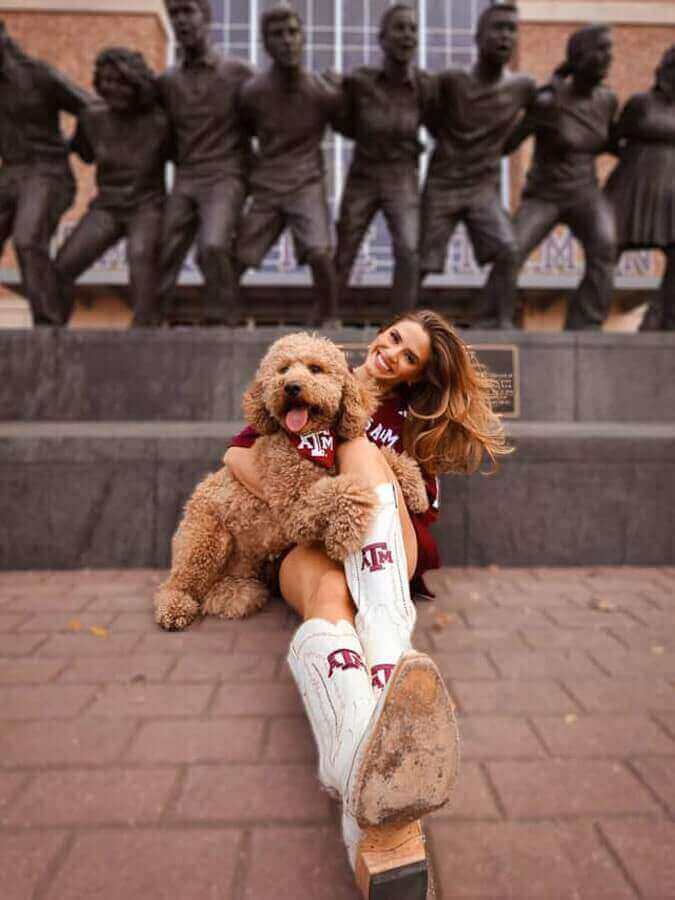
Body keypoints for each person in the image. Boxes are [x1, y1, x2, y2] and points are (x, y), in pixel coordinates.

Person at [225, 309, 510, 877]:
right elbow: (236, 454)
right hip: (312, 539)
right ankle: (360, 764)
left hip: (385, 546)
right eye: (396, 339)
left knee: (360, 449)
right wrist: (304, 503)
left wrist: (359, 460)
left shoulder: (409, 419)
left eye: (410, 359)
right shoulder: (310, 377)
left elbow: (420, 503)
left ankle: (379, 648)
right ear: (383, 331)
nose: (393, 354)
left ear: (414, 376)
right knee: (330, 593)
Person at [419, 3, 536, 328]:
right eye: (497, 28)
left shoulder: (522, 88)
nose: (505, 37)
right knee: (422, 262)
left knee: (508, 251)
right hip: (443, 184)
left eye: (511, 30)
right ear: (478, 37)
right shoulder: (452, 81)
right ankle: (398, 328)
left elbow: (542, 116)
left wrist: (504, 144)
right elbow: (427, 114)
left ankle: (497, 321)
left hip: (481, 188)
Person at [234, 6, 341, 325]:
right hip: (268, 185)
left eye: (293, 33)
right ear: (265, 44)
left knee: (320, 254)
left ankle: (329, 315)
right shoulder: (252, 93)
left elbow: (354, 125)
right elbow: (240, 136)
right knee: (237, 259)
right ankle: (225, 314)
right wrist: (253, 174)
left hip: (306, 182)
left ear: (303, 38)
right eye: (277, 35)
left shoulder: (322, 92)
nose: (287, 41)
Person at [508, 25, 619, 330]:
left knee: (606, 246)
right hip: (545, 194)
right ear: (579, 57)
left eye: (610, 50)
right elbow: (508, 142)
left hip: (585, 193)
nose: (609, 58)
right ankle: (496, 316)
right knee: (512, 250)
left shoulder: (607, 101)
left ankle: (585, 324)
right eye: (602, 50)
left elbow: (614, 142)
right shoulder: (548, 102)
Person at [54, 48, 170, 327]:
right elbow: (82, 152)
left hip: (147, 205)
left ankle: (145, 331)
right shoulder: (92, 118)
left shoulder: (161, 121)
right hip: (107, 206)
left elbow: (186, 159)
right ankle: (53, 330)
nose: (110, 88)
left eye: (119, 82)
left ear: (136, 85)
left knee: (141, 259)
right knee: (62, 266)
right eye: (105, 81)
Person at [158, 0, 254, 325]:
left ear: (206, 18)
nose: (181, 20)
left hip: (225, 175)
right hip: (187, 176)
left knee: (212, 245)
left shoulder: (238, 73)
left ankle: (223, 316)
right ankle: (149, 315)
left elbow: (270, 116)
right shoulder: (168, 82)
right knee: (164, 246)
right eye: (174, 14)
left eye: (188, 12)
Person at [334, 4, 432, 313]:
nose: (407, 36)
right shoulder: (360, 83)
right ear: (382, 39)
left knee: (408, 249)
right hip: (364, 173)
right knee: (346, 243)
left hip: (402, 175)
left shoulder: (425, 87)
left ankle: (402, 322)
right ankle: (327, 313)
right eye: (400, 28)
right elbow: (342, 122)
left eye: (413, 29)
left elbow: (442, 124)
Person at [0, 20, 89, 325]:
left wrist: (78, 146)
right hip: (10, 172)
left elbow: (91, 107)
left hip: (48, 172)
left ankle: (49, 323)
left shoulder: (38, 75)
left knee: (27, 240)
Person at [605, 44, 675, 331]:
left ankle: (661, 318)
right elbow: (611, 138)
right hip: (632, 186)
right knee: (608, 248)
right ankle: (587, 317)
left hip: (670, 192)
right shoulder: (640, 103)